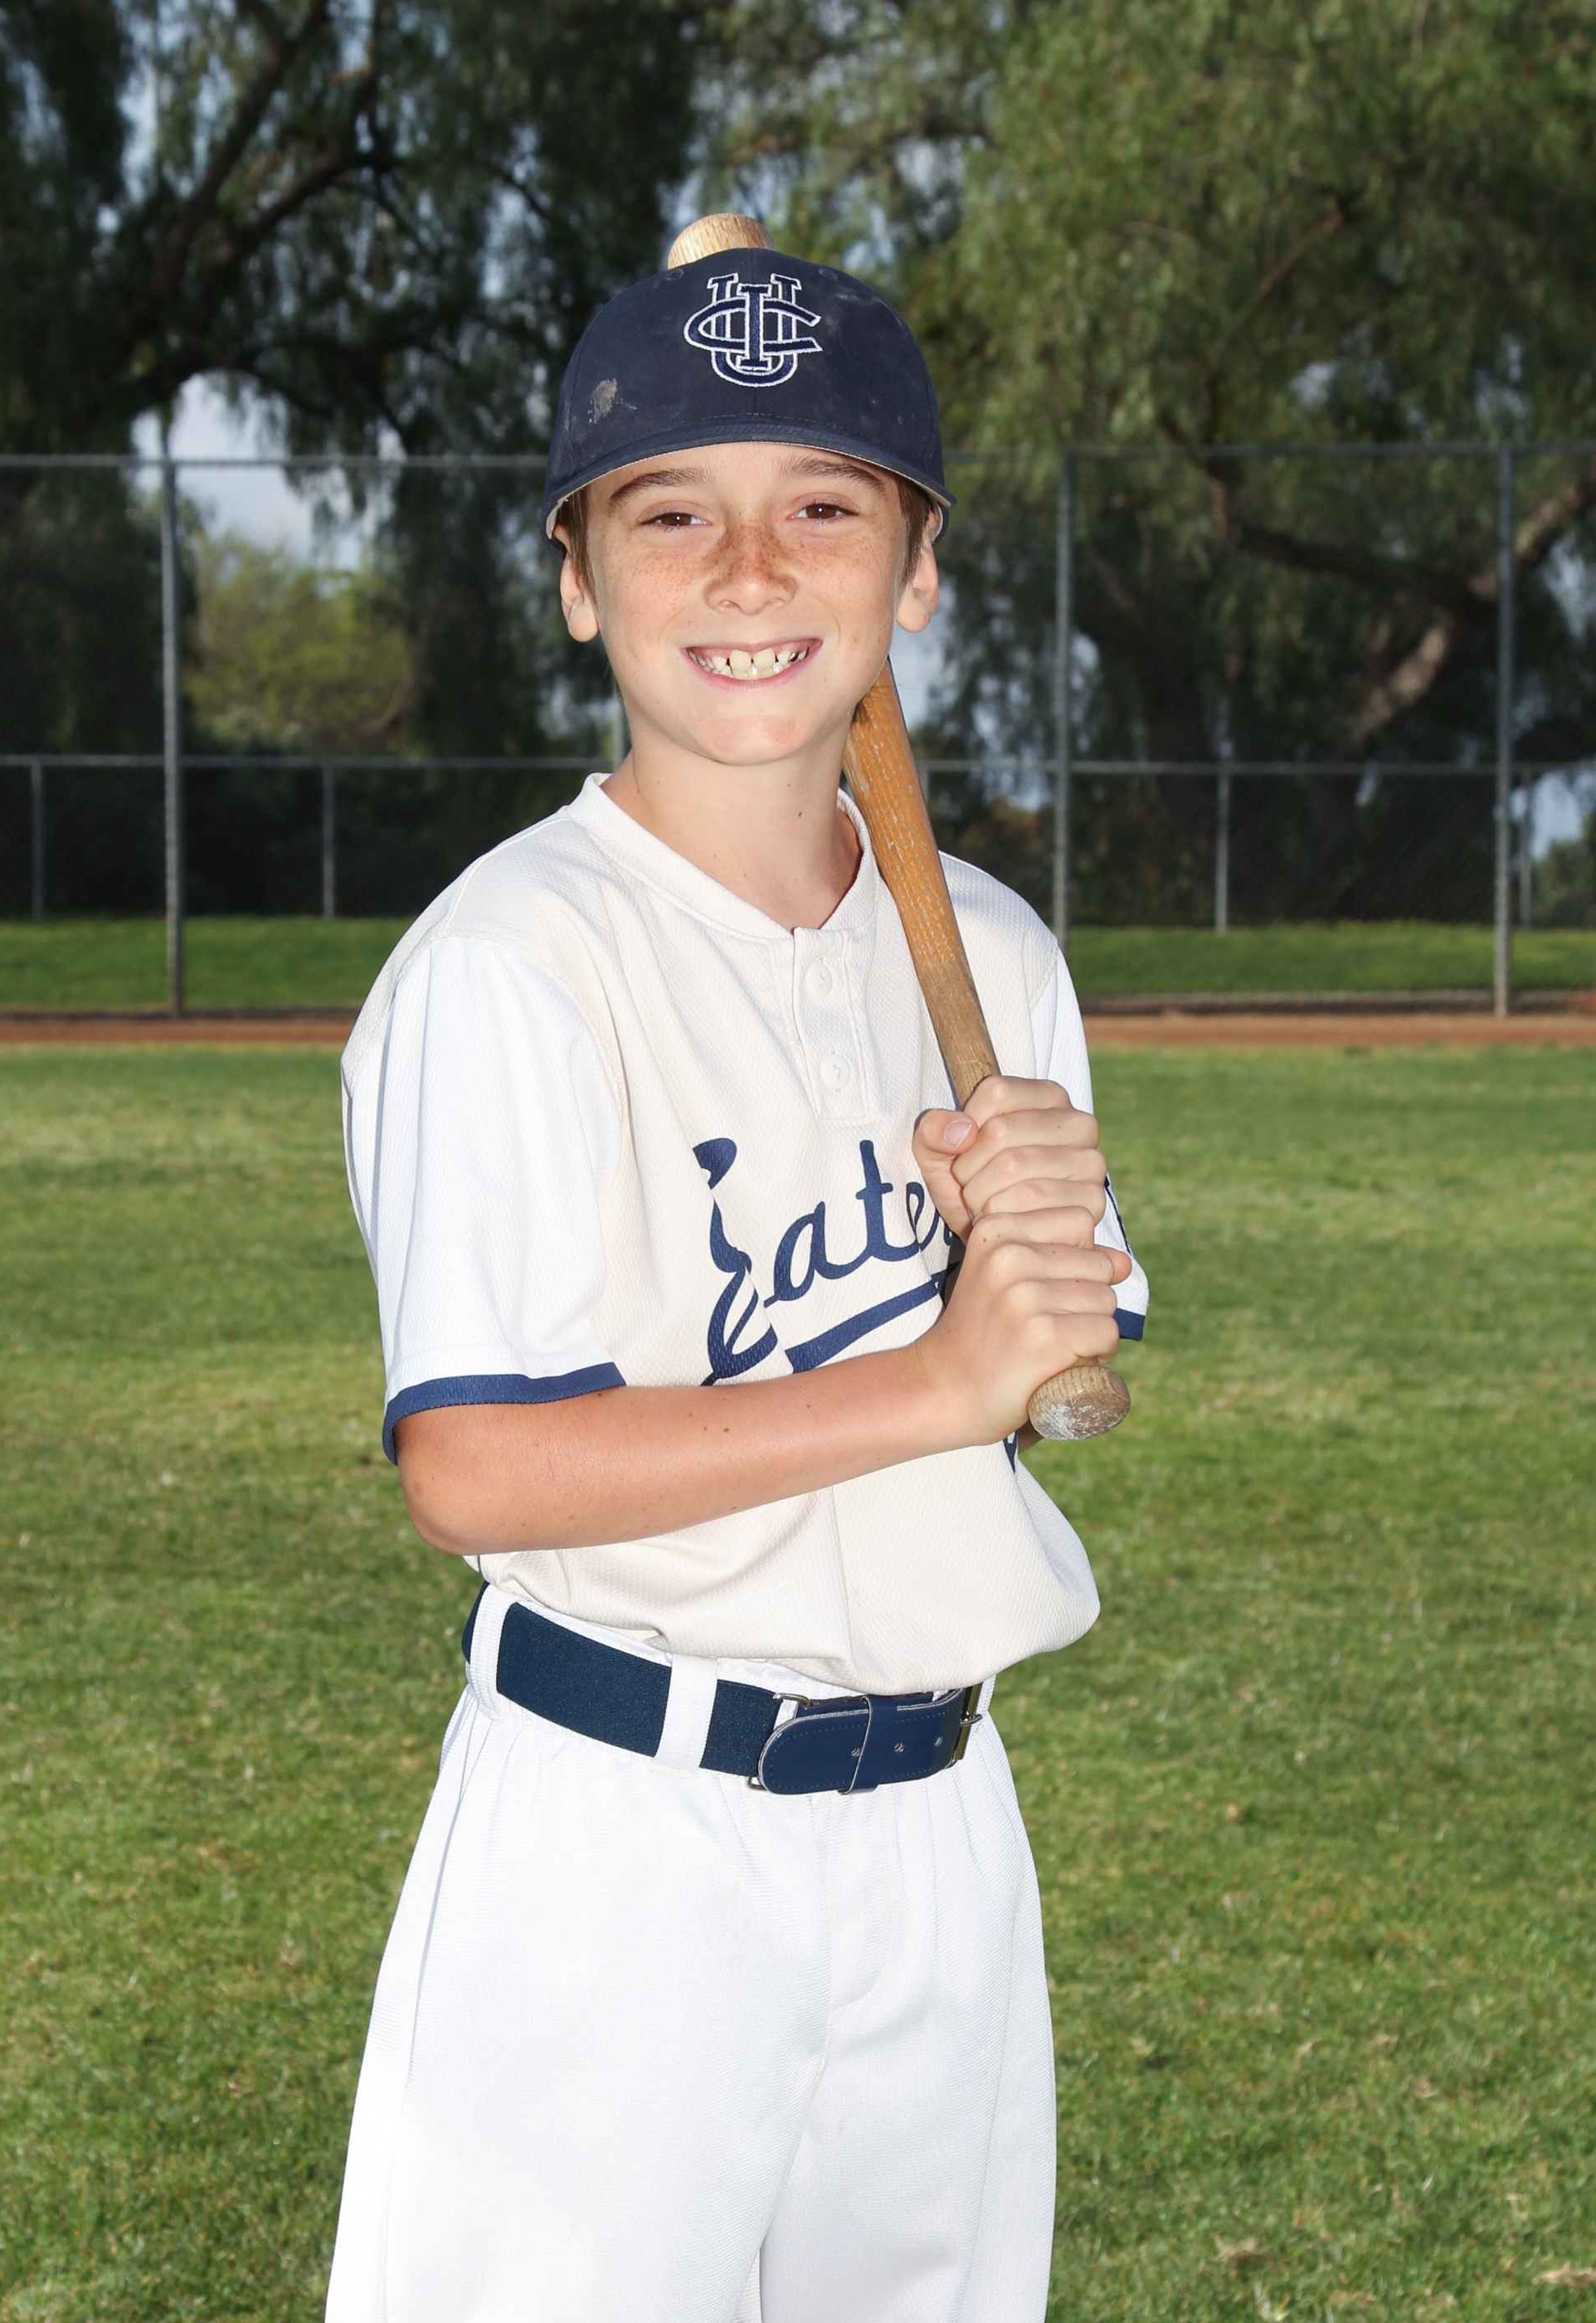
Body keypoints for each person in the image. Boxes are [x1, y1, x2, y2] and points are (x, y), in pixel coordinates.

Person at [325, 245, 1148, 2323]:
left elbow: (1055, 1373)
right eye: (672, 511)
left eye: (824, 506)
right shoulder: (511, 963)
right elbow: (475, 1467)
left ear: (918, 569)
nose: (751, 569)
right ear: (579, 579)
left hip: (940, 1832)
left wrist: (1037, 1256)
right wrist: (945, 1373)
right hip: (621, 1845)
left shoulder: (994, 955)